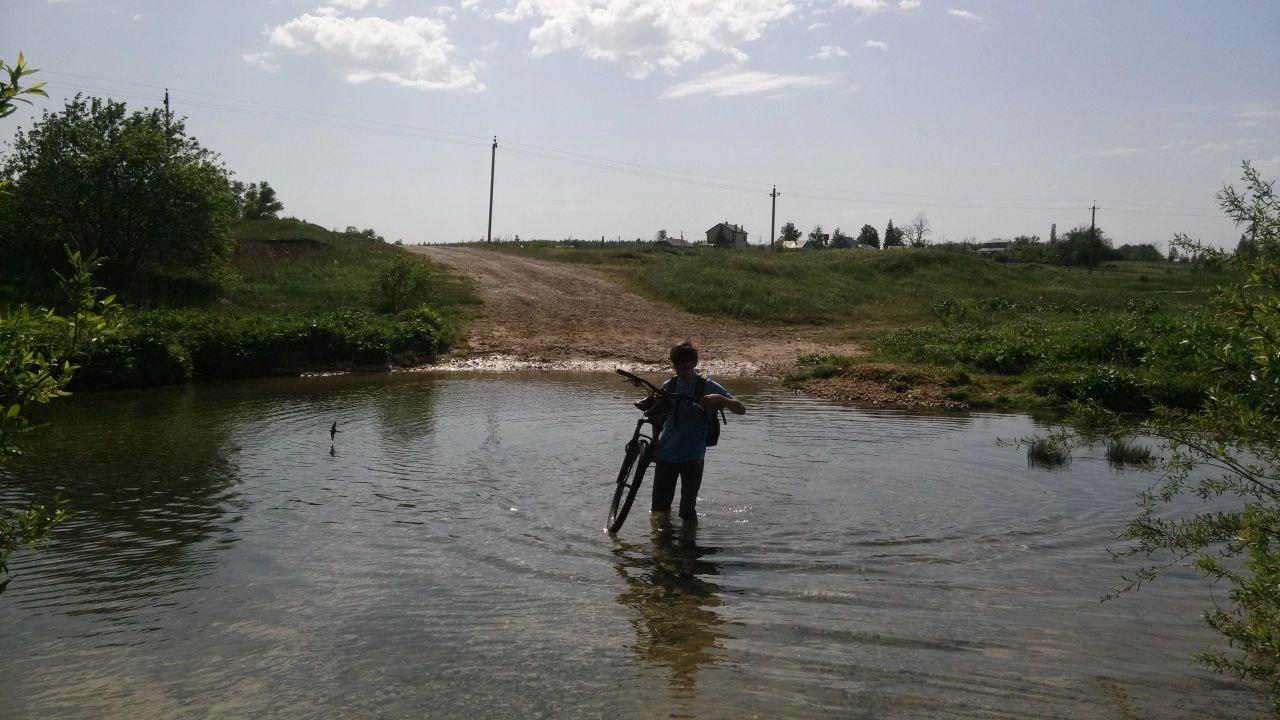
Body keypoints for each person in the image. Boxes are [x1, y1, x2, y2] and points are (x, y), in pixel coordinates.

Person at [652, 341, 746, 521]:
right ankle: (661, 546)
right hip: (666, 454)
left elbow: (741, 409)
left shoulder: (707, 386)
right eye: (678, 368)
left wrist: (720, 399)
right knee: (659, 509)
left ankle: (689, 547)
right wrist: (655, 440)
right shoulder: (668, 386)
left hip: (693, 456)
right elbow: (659, 417)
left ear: (694, 364)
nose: (682, 373)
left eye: (686, 368)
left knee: (687, 512)